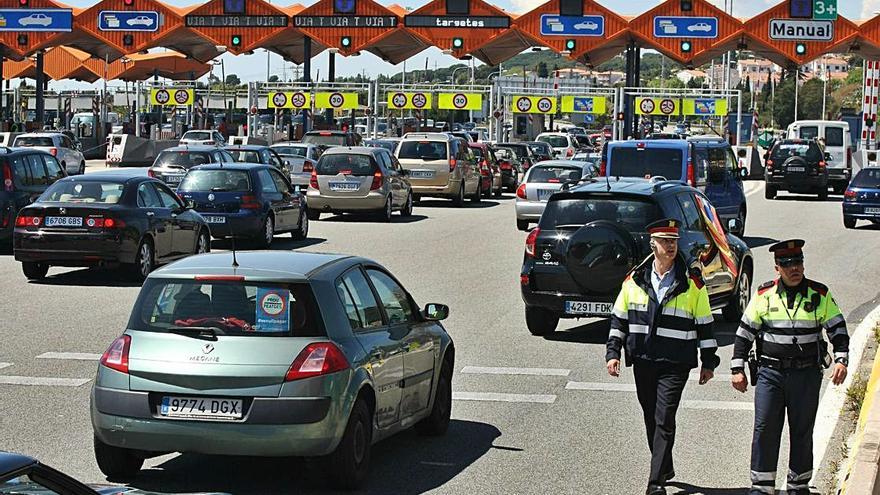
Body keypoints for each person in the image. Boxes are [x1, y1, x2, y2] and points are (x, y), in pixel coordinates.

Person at [606, 218, 719, 495]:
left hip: (676, 362)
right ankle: (665, 466)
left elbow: (704, 322)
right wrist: (613, 352)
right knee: (650, 416)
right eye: (664, 241)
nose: (670, 246)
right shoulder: (634, 280)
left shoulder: (692, 283)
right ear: (652, 244)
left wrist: (709, 360)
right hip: (643, 359)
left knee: (664, 417)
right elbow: (619, 319)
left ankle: (655, 483)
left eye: (674, 241)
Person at [731, 239, 848, 495]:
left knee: (802, 429)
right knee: (765, 428)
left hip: (806, 374)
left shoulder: (819, 294)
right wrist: (736, 368)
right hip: (770, 374)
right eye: (787, 264)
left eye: (797, 262)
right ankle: (761, 485)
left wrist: (841, 359)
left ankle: (798, 483)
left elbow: (837, 329)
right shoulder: (764, 295)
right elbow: (744, 333)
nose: (794, 268)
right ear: (777, 268)